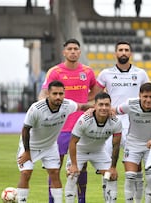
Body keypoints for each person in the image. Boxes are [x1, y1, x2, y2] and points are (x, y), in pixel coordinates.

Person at [39, 38, 98, 203]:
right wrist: (44, 109)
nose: (73, 51)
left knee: (80, 166)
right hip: (59, 127)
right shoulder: (55, 71)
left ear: (80, 52)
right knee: (54, 167)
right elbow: (43, 94)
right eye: (70, 49)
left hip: (82, 126)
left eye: (76, 49)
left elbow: (96, 91)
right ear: (64, 52)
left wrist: (86, 103)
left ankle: (81, 200)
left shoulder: (87, 71)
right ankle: (53, 200)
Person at [16, 80, 91, 203]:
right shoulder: (36, 108)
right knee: (26, 173)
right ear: (48, 94)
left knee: (55, 173)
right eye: (54, 93)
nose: (58, 97)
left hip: (50, 146)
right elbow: (25, 129)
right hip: (30, 146)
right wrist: (27, 152)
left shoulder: (68, 105)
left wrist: (93, 109)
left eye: (61, 94)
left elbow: (82, 106)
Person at [92, 40, 149, 202]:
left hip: (134, 122)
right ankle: (110, 200)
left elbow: (148, 97)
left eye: (126, 50)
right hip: (112, 121)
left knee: (135, 164)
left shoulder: (141, 74)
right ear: (115, 53)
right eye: (120, 50)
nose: (123, 52)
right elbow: (95, 97)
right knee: (108, 164)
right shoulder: (105, 74)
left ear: (130, 54)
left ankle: (137, 200)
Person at [116, 82, 151, 203]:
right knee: (130, 176)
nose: (148, 100)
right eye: (145, 96)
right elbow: (113, 111)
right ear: (139, 95)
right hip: (133, 144)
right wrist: (91, 110)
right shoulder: (130, 104)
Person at [64, 92, 122, 203]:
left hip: (98, 152)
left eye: (107, 105)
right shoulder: (84, 120)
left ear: (110, 106)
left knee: (112, 176)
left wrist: (113, 167)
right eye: (101, 104)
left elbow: (116, 145)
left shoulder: (116, 122)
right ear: (94, 106)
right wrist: (74, 165)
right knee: (72, 176)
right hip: (79, 151)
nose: (104, 108)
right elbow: (72, 142)